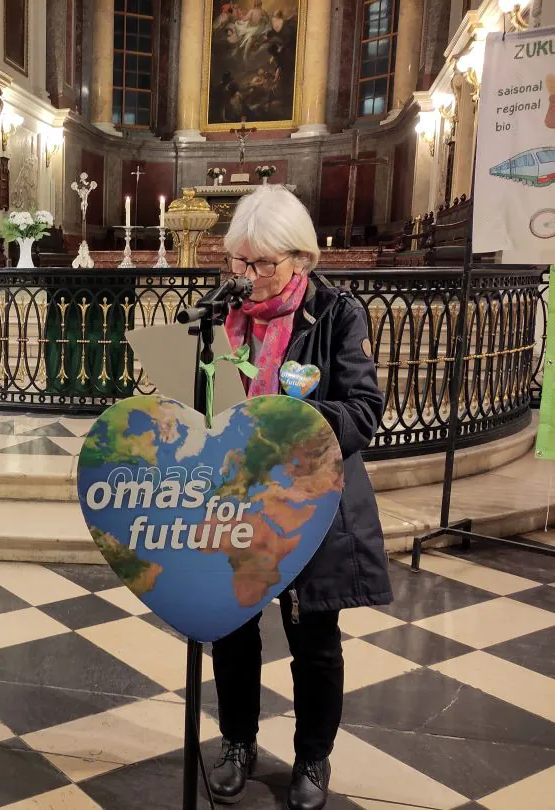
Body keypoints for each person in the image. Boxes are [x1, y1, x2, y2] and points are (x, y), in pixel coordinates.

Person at [206, 186, 392, 810]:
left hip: (310, 500)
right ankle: (237, 743)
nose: (250, 278)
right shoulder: (221, 316)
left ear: (301, 259)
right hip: (238, 496)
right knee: (232, 630)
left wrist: (289, 417)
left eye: (264, 265)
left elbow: (364, 413)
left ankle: (313, 756)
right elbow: (199, 403)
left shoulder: (336, 314)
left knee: (312, 636)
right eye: (239, 262)